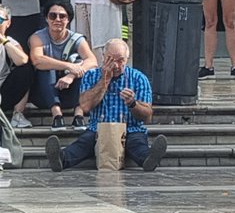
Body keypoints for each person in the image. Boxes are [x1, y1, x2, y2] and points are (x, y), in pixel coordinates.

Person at [43, 39, 168, 172]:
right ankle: (60, 159)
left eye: (120, 60)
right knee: (84, 143)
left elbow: (147, 116)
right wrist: (104, 80)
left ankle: (149, 159)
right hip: (98, 129)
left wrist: (133, 103)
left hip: (131, 129)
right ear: (103, 57)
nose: (116, 65)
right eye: (111, 60)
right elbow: (85, 106)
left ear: (127, 59)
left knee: (136, 143)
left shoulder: (139, 78)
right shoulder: (91, 75)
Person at [29, 0, 98, 130]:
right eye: (52, 16)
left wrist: (71, 75)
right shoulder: (38, 37)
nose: (57, 19)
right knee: (46, 67)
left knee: (86, 70)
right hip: (44, 94)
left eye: (62, 16)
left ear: (68, 20)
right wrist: (68, 66)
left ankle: (79, 115)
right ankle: (57, 116)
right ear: (46, 19)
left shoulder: (77, 38)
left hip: (71, 93)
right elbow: (37, 60)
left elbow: (92, 61)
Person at [0, 6, 32, 116]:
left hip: (4, 93)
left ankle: (18, 115)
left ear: (8, 23)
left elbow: (23, 60)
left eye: (0, 20)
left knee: (26, 69)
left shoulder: (10, 42)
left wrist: (3, 41)